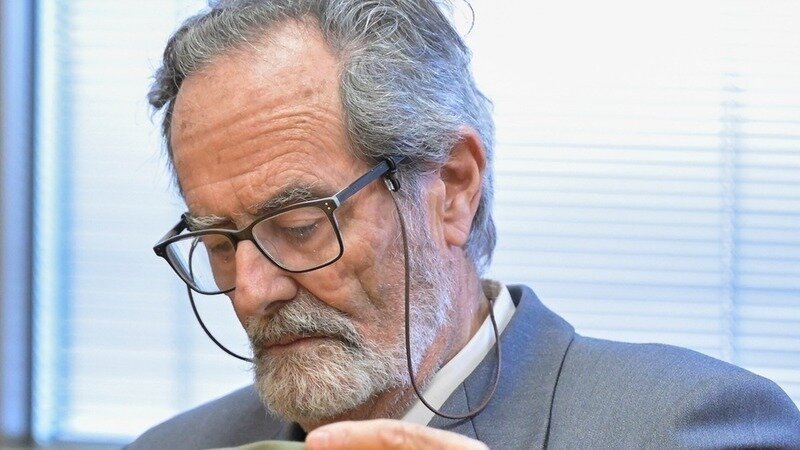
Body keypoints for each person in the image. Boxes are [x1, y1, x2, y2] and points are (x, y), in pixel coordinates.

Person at [129, 1, 800, 448]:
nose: (251, 292)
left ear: (451, 188)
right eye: (218, 243)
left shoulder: (686, 427)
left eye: (300, 225)